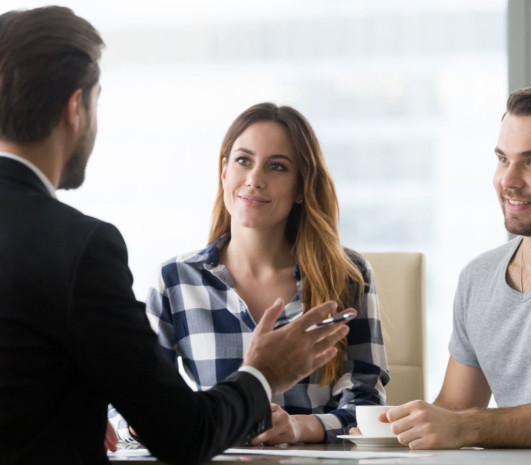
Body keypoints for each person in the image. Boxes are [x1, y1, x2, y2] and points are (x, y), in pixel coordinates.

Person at [0, 6, 355, 465]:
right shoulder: (81, 248)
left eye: (277, 166)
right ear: (76, 108)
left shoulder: (349, 274)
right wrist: (263, 372)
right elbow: (182, 433)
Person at [353, 82, 531, 448]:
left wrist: (464, 427)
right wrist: (394, 431)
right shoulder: (478, 278)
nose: (508, 181)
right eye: (503, 159)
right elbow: (455, 411)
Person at [110, 103, 390, 445]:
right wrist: (147, 419)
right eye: (244, 160)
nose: (255, 179)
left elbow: (367, 402)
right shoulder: (175, 280)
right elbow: (125, 408)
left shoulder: (348, 276)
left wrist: (301, 427)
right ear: (224, 171)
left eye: (277, 167)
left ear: (302, 187)